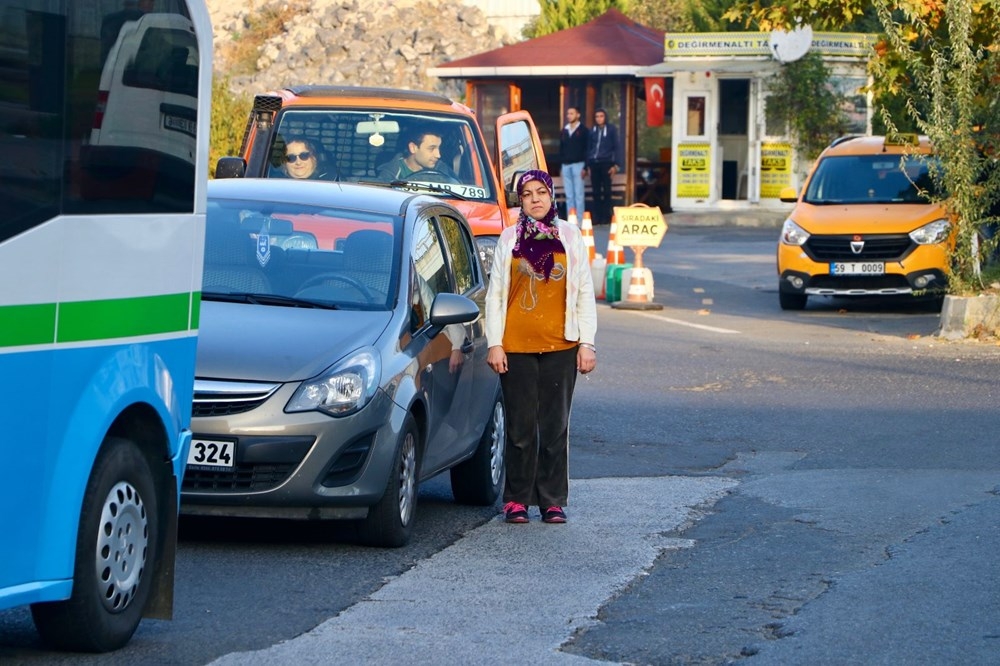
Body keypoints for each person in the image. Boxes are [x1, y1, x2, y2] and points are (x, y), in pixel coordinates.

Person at [485, 169, 597, 525]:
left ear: (551, 196)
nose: (535, 199)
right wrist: (495, 344)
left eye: (541, 193)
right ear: (520, 200)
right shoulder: (508, 238)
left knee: (554, 427)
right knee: (519, 428)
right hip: (515, 346)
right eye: (528, 194)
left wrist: (586, 343)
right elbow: (496, 296)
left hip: (561, 346)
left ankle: (551, 500)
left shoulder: (569, 236)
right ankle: (516, 499)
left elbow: (583, 293)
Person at [585, 108, 620, 225]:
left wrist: (616, 165)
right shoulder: (592, 131)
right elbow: (588, 148)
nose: (599, 118)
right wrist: (587, 166)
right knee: (596, 192)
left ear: (605, 117)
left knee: (607, 191)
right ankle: (597, 216)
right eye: (597, 116)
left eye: (601, 116)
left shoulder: (611, 130)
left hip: (606, 163)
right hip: (594, 163)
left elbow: (617, 147)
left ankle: (607, 216)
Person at [377, 127, 450, 181]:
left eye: (438, 148)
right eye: (431, 148)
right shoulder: (390, 174)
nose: (438, 155)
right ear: (413, 148)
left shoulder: (442, 169)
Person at [558, 106, 588, 220]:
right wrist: (561, 165)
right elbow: (561, 149)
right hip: (566, 165)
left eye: (572, 113)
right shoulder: (564, 131)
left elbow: (587, 149)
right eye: (568, 113)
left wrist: (586, 166)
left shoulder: (584, 130)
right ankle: (571, 220)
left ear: (578, 115)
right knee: (569, 195)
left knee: (578, 195)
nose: (569, 115)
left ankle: (580, 221)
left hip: (578, 165)